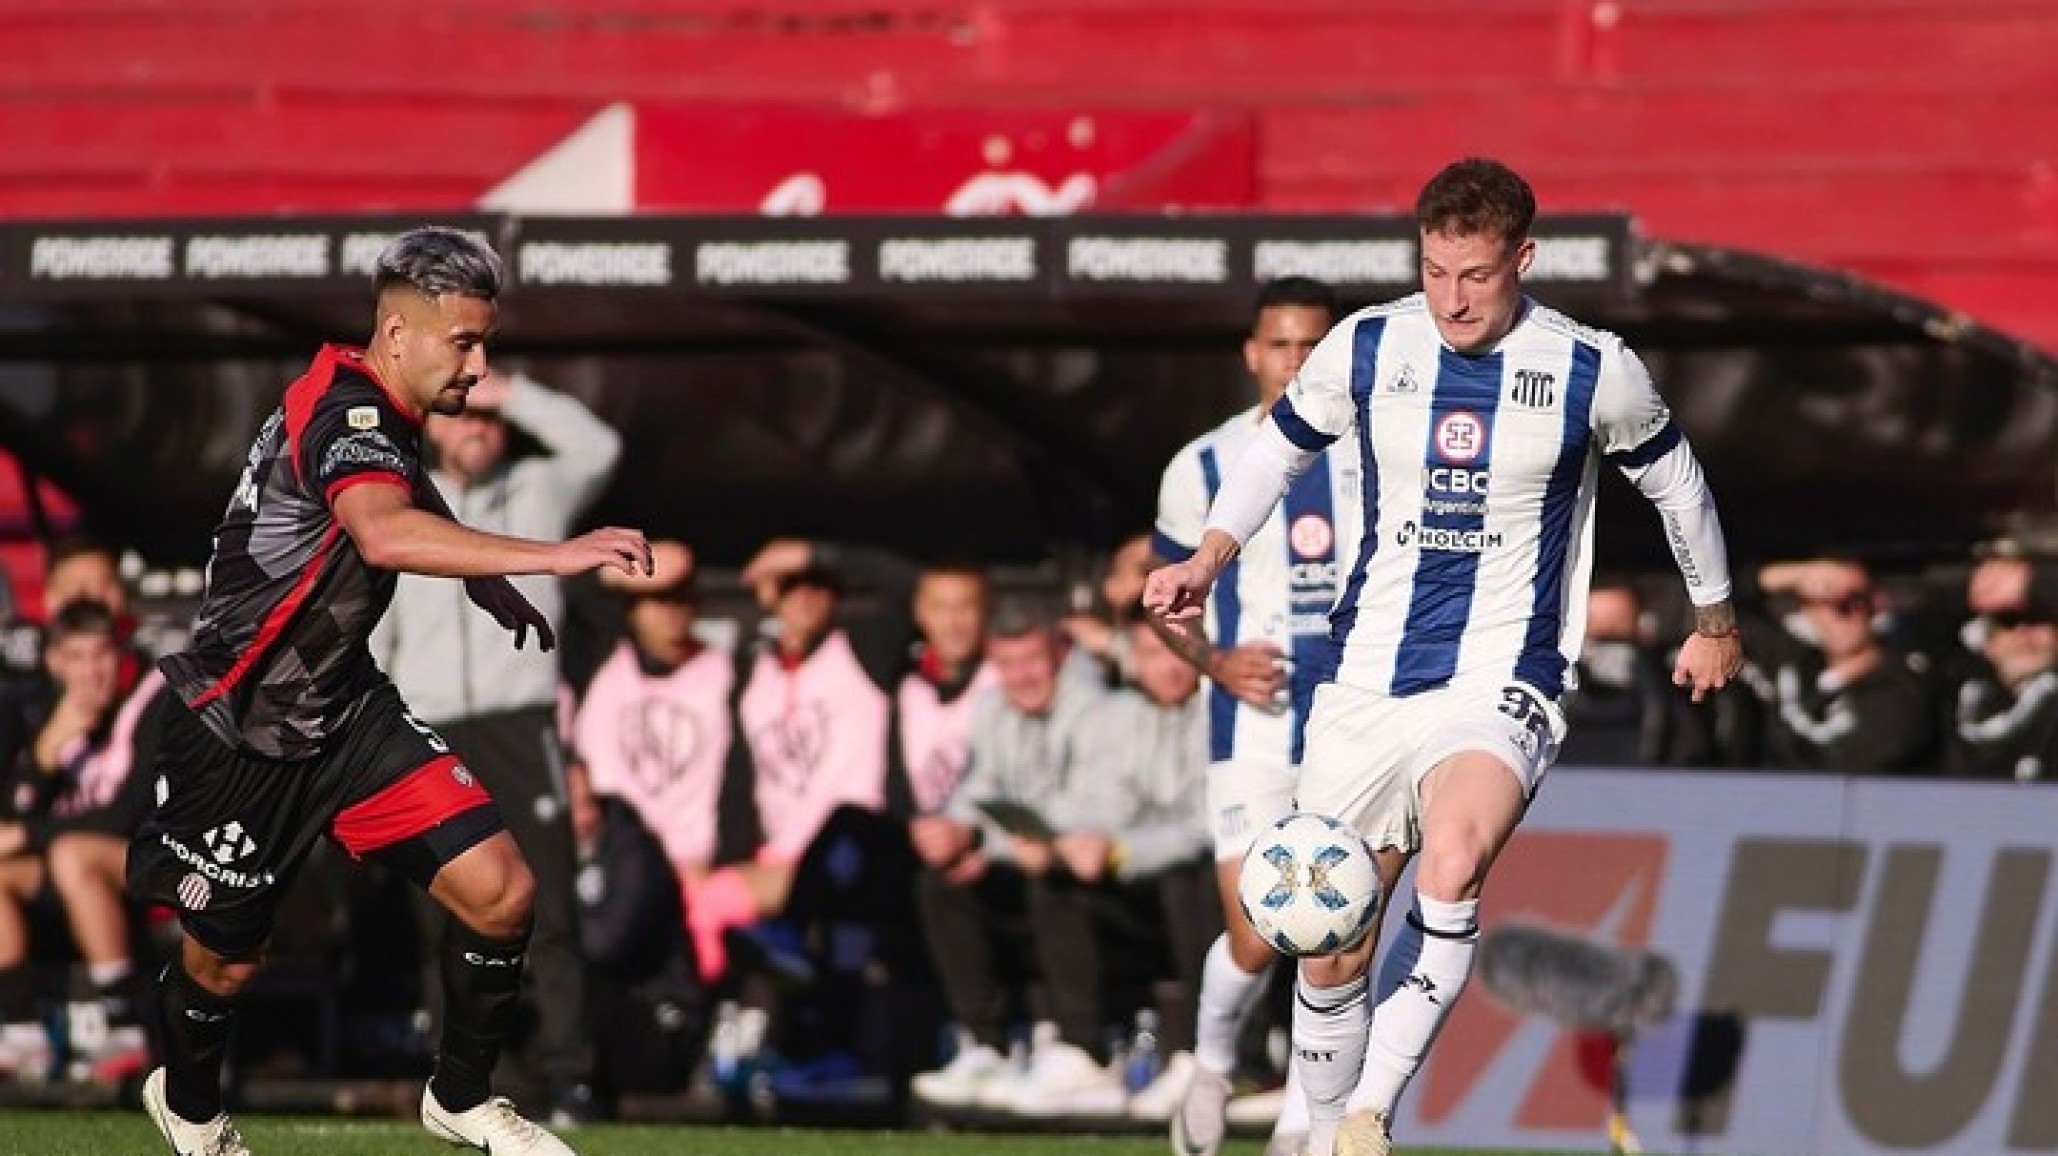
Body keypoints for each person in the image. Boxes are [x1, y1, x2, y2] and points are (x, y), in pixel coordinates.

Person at [1144, 158, 1744, 1156]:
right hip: (1366, 680)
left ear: (1524, 259)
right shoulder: (1368, 346)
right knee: (1328, 941)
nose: (1453, 298)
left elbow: (1679, 485)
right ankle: (1329, 1128)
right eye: (1434, 272)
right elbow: (1279, 448)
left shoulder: (1592, 368)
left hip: (1503, 676)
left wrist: (1715, 619)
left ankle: (1371, 1110)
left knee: (1454, 863)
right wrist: (1211, 552)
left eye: (1475, 274)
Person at [126, 226, 652, 1156]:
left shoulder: (371, 399)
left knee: (503, 893)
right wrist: (553, 558)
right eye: (466, 343)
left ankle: (460, 1096)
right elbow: (383, 533)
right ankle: (193, 1103)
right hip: (241, 723)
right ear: (400, 334)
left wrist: (485, 580)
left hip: (345, 712)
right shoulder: (347, 412)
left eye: (486, 342)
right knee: (226, 964)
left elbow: (402, 496)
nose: (481, 366)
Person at [373, 362, 621, 1121]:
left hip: (519, 725)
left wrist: (507, 392)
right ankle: (471, 1081)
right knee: (442, 913)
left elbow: (597, 447)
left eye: (485, 419)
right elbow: (379, 623)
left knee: (545, 907)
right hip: (429, 726)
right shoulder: (403, 503)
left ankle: (570, 1074)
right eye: (458, 415)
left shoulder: (538, 491)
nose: (472, 427)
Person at [1148, 275, 1343, 1156]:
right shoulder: (1200, 466)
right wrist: (1217, 664)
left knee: (1337, 932)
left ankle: (1303, 1127)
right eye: (1282, 345)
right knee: (1258, 932)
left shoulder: (1379, 453)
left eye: (1313, 346)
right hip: (1251, 730)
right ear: (1252, 353)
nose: (1297, 362)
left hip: (1352, 729)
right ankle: (1214, 1063)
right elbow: (1164, 599)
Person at [905, 607, 1108, 1111]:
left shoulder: (1090, 705)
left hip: (1099, 875)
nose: (1023, 676)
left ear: (1058, 655)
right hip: (1022, 861)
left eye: (1033, 660)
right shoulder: (993, 706)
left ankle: (1082, 1052)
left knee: (1054, 882)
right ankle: (987, 1046)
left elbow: (1080, 813)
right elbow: (978, 790)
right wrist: (956, 833)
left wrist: (981, 841)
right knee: (941, 882)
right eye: (1008, 663)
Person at [0, 599, 166, 1082]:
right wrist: (44, 760)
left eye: (102, 656)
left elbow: (126, 817)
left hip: (154, 860)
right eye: (76, 658)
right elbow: (14, 816)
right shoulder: (50, 711)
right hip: (73, 873)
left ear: (122, 654)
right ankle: (20, 1028)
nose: (92, 673)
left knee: (73, 854)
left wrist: (29, 833)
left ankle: (124, 1023)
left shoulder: (151, 703)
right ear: (54, 661)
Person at [1753, 558, 1938, 774]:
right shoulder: (1794, 661)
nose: (1838, 614)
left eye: (1853, 601)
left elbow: (1863, 762)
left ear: (1876, 606)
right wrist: (1797, 575)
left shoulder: (1903, 687)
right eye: (1823, 601)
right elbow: (1717, 608)